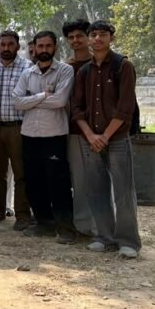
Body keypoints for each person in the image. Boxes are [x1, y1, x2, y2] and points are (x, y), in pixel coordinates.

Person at [72, 20, 141, 259]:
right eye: (94, 35)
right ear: (89, 39)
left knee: (123, 191)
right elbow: (77, 108)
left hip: (117, 138)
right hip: (90, 139)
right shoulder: (84, 71)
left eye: (103, 34)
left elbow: (125, 107)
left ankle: (128, 241)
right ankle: (104, 237)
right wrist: (91, 135)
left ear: (111, 37)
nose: (98, 39)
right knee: (96, 190)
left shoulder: (123, 66)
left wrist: (105, 136)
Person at [12, 30, 77, 244]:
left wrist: (31, 100)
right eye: (40, 46)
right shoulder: (27, 73)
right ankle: (44, 223)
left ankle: (65, 227)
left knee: (58, 182)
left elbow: (60, 101)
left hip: (54, 135)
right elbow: (17, 102)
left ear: (55, 47)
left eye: (48, 46)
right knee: (34, 181)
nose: (44, 50)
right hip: (30, 134)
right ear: (34, 48)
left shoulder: (65, 70)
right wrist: (42, 96)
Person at [0, 30, 33, 230]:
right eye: (2, 45)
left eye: (10, 44)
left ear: (18, 46)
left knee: (21, 173)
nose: (6, 48)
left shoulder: (28, 68)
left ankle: (22, 215)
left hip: (18, 127)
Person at [63, 19, 96, 237]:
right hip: (72, 130)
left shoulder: (98, 64)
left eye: (80, 36)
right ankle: (82, 224)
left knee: (98, 180)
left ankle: (100, 225)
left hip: (99, 132)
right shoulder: (65, 67)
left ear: (88, 37)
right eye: (71, 37)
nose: (75, 40)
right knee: (79, 179)